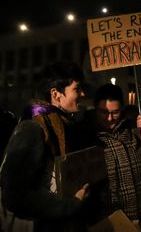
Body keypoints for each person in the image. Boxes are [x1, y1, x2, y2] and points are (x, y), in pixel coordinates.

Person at [0, 61, 90, 232]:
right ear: (56, 94)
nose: (83, 94)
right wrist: (70, 204)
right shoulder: (32, 127)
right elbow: (15, 195)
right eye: (77, 89)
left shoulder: (66, 125)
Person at [85, 83, 141, 232]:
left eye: (115, 112)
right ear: (95, 109)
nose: (109, 118)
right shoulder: (88, 137)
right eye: (103, 112)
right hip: (109, 221)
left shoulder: (133, 131)